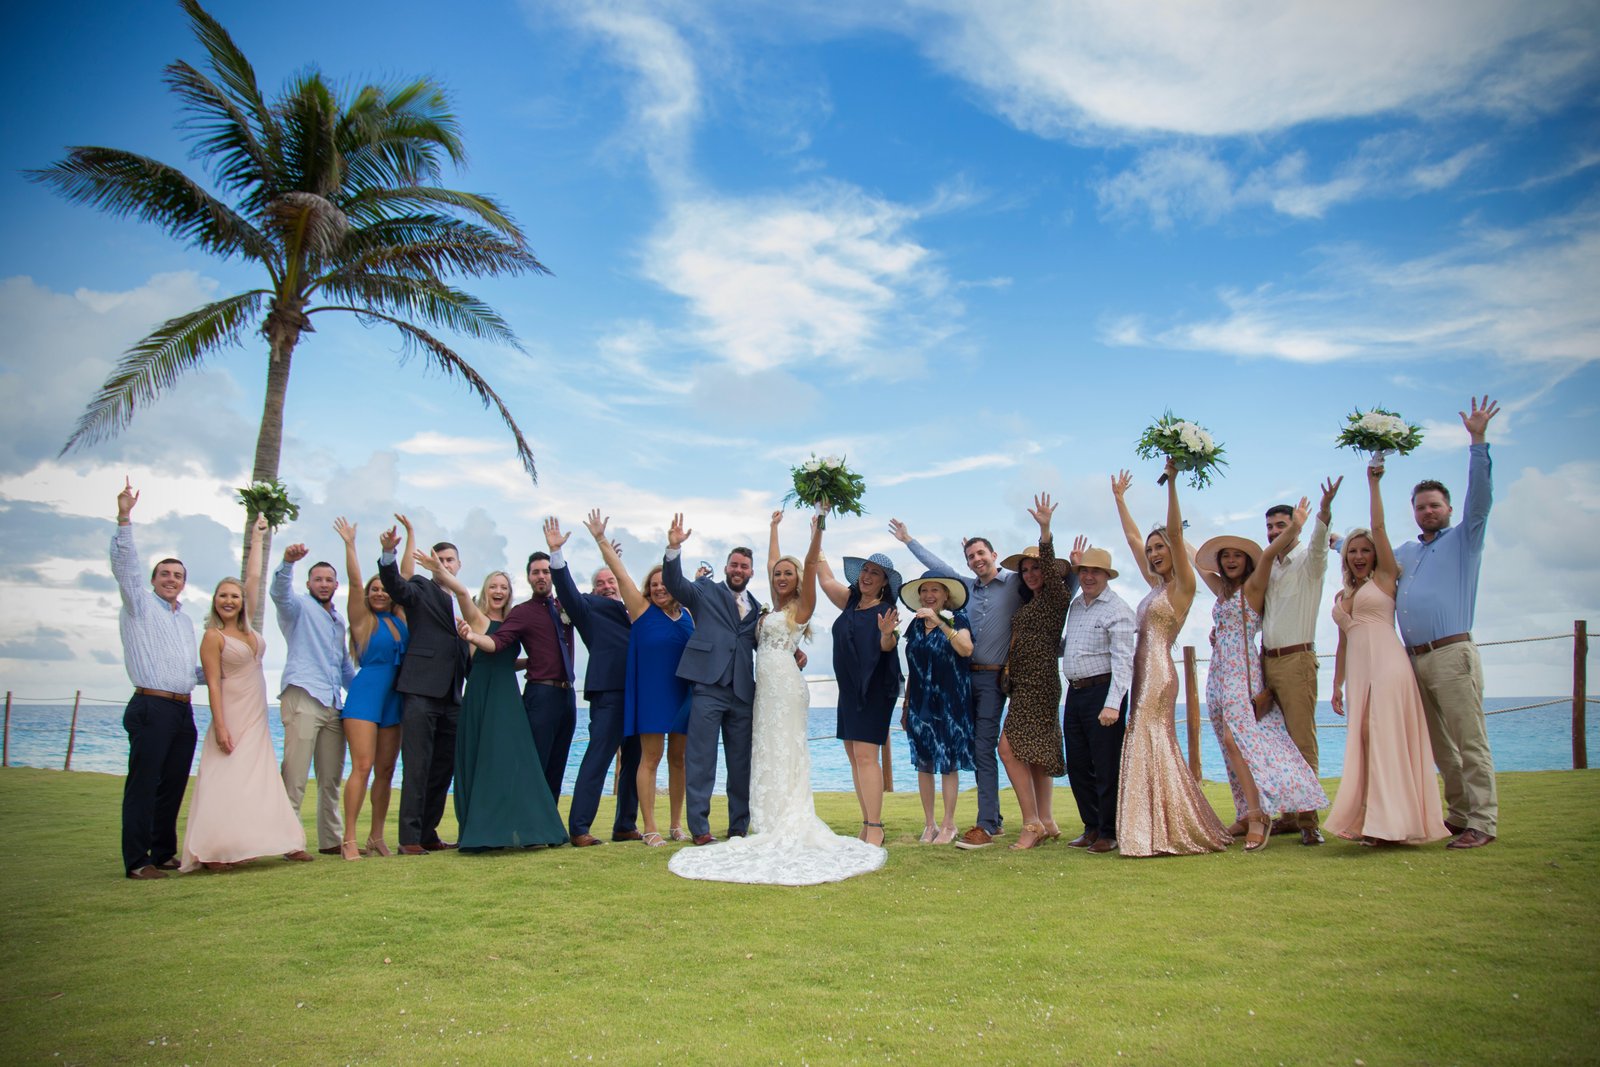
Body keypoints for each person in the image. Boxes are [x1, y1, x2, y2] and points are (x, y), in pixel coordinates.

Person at [668, 515, 885, 884]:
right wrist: (772, 529)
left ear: (798, 577)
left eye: (788, 573)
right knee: (763, 753)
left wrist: (817, 532)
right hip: (758, 690)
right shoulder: (761, 604)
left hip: (783, 687)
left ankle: (775, 821)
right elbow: (771, 564)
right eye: (777, 574)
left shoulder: (803, 606)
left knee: (783, 752)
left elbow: (810, 562)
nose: (781, 577)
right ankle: (747, 822)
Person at [1325, 460, 1451, 846]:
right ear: (1346, 557)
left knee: (1380, 737)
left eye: (1366, 550)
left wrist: (1373, 484)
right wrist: (1336, 686)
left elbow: (1378, 528)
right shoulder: (1344, 594)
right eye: (1353, 551)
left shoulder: (1384, 578)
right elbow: (1345, 642)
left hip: (1387, 667)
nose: (1360, 556)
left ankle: (1387, 826)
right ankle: (1370, 820)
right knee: (1364, 740)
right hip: (1360, 674)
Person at [1395, 396, 1500, 850]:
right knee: (1442, 747)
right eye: (1420, 506)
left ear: (1449, 508)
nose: (1427, 511)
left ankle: (1483, 821)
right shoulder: (1407, 552)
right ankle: (1459, 815)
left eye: (1434, 505)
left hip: (1452, 655)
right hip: (1414, 660)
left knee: (1470, 741)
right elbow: (1361, 551)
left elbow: (1481, 498)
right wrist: (1328, 532)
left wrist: (1477, 442)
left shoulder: (1465, 540)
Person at [1109, 462, 1229, 857]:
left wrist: (1173, 483)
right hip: (1140, 670)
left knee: (1150, 738)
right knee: (1145, 740)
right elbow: (1130, 538)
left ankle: (1159, 830)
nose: (1155, 553)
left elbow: (1176, 534)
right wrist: (1119, 500)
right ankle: (1150, 827)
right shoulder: (1154, 585)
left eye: (1160, 548)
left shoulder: (1183, 586)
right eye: (1152, 550)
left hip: (1159, 672)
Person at [1196, 501, 1329, 852]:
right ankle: (1246, 811)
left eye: (1237, 555)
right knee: (1229, 745)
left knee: (1235, 739)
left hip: (1244, 669)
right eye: (1224, 556)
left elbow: (1268, 554)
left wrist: (1296, 527)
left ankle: (1261, 815)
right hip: (1219, 673)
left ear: (1249, 560)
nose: (1230, 560)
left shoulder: (1255, 585)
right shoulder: (1223, 591)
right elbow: (1196, 562)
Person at [180, 517, 311, 871]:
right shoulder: (213, 637)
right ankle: (213, 850)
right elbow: (214, 684)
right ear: (215, 601)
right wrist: (220, 726)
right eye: (223, 596)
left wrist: (257, 536)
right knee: (225, 779)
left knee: (257, 778)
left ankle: (270, 841)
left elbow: (253, 578)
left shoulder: (249, 629)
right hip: (232, 714)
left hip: (255, 713)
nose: (229, 600)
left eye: (234, 596)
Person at [888, 518, 1023, 848]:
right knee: (965, 753)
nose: (977, 560)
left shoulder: (1014, 584)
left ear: (994, 553)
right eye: (971, 556)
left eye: (981, 554)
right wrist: (909, 540)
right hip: (954, 685)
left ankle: (986, 822)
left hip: (990, 676)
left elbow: (964, 644)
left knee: (979, 749)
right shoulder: (968, 586)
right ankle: (990, 818)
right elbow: (938, 567)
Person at [434, 560, 569, 851]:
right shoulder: (478, 617)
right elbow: (459, 593)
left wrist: (534, 663)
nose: (499, 591)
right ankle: (481, 831)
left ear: (510, 593)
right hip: (484, 693)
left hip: (508, 693)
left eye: (504, 588)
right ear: (485, 590)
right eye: (494, 586)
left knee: (516, 761)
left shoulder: (513, 622)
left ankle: (524, 830)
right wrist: (442, 572)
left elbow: (506, 660)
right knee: (483, 759)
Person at [112, 478, 201, 880]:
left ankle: (163, 850)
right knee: (144, 785)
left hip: (183, 709)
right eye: (164, 574)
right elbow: (125, 567)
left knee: (173, 785)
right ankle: (136, 861)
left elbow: (190, 672)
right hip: (151, 705)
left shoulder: (183, 620)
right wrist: (125, 519)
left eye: (177, 575)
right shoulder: (138, 607)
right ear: (152, 580)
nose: (171, 579)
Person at [661, 515, 762, 844]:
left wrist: (795, 654)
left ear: (750, 572)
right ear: (726, 567)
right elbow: (676, 586)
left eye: (744, 566)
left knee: (740, 764)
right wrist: (674, 548)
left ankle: (738, 826)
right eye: (734, 564)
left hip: (743, 692)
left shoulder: (757, 606)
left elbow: (765, 642)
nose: (738, 570)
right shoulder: (705, 590)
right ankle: (700, 830)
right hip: (707, 687)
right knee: (701, 759)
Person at [546, 514, 642, 847]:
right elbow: (568, 593)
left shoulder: (637, 608)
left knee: (636, 760)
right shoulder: (589, 608)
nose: (607, 586)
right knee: (599, 756)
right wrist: (556, 556)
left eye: (610, 581)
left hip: (641, 694)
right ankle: (580, 827)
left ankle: (625, 824)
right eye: (600, 583)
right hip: (610, 692)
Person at [595, 527, 694, 846]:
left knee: (679, 759)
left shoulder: (689, 616)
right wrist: (601, 540)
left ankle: (677, 824)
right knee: (650, 757)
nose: (659, 588)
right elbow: (620, 574)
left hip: (683, 694)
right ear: (648, 591)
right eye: (654, 585)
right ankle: (650, 827)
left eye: (664, 583)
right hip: (652, 695)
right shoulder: (641, 611)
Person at [1260, 476, 1342, 845]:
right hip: (1266, 661)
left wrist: (1322, 512)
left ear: (1296, 525)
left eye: (1282, 525)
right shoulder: (1268, 567)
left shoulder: (1309, 563)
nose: (1276, 531)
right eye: (1271, 527)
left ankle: (1310, 821)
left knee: (1302, 741)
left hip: (1296, 661)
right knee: (1275, 742)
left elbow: (1321, 545)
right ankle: (1288, 815)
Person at [378, 531, 470, 855]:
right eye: (439, 559)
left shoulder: (462, 602)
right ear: (431, 564)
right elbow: (396, 587)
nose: (444, 564)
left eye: (449, 560)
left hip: (453, 697)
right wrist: (389, 554)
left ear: (458, 565)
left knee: (443, 768)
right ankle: (410, 838)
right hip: (420, 691)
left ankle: (429, 831)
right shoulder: (420, 588)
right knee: (417, 765)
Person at [270, 533, 357, 856]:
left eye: (329, 580)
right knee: (294, 775)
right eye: (318, 579)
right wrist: (288, 563)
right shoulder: (298, 609)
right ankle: (288, 842)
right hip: (304, 696)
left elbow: (344, 668)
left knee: (330, 778)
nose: (323, 584)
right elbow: (279, 593)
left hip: (333, 704)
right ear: (308, 583)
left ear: (336, 585)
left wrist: (365, 694)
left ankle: (331, 840)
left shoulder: (337, 621)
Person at [333, 516, 414, 858]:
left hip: (394, 699)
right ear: (367, 595)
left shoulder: (401, 618)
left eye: (384, 588)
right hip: (365, 698)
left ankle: (375, 836)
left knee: (385, 770)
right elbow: (353, 581)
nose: (380, 592)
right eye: (375, 589)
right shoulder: (362, 620)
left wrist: (410, 536)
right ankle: (348, 838)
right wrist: (350, 544)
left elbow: (406, 577)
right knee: (363, 766)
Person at [995, 494, 1072, 852]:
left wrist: (1044, 531)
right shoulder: (1032, 603)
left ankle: (1031, 824)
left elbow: (1050, 565)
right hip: (1025, 684)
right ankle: (1047, 819)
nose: (1030, 574)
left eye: (1036, 568)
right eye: (1024, 571)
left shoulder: (1056, 598)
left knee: (1007, 749)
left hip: (1038, 685)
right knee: (1035, 754)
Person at [815, 539, 903, 846]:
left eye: (874, 573)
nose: (866, 575)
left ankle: (876, 826)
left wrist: (886, 634)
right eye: (864, 570)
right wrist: (819, 534)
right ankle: (867, 823)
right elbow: (825, 578)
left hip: (874, 690)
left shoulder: (886, 610)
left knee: (866, 756)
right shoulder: (850, 601)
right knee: (854, 756)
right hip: (849, 691)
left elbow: (887, 647)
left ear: (883, 583)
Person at [899, 572, 974, 845]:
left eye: (935, 590)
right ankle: (929, 824)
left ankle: (949, 824)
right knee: (924, 763)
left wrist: (941, 622)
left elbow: (966, 649)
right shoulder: (915, 625)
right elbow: (912, 669)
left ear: (945, 595)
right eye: (924, 590)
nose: (929, 595)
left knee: (948, 762)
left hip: (950, 701)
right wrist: (906, 705)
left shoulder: (958, 619)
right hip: (920, 702)